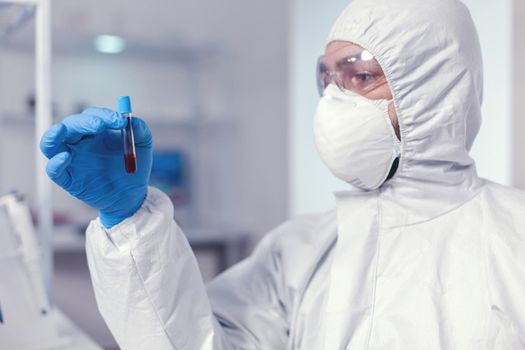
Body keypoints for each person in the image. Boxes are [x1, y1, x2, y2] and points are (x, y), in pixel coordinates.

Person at [40, 0, 525, 348]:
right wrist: (130, 221)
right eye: (329, 79)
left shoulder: (514, 238)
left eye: (361, 77)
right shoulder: (299, 250)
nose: (336, 101)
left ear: (438, 89)